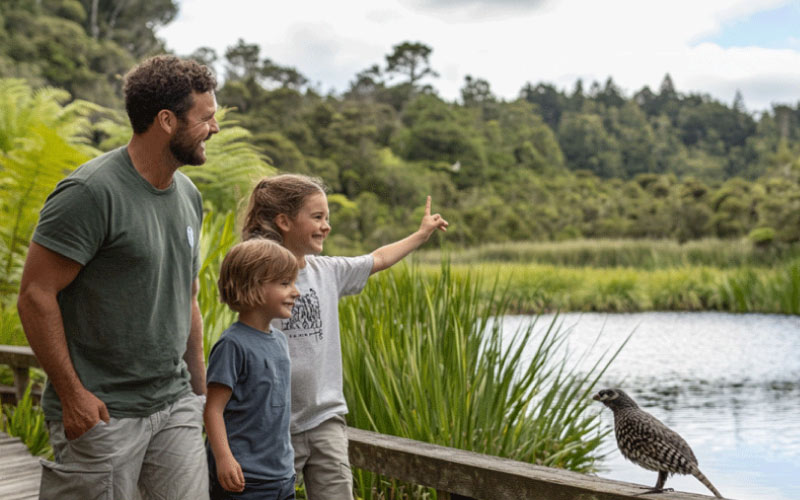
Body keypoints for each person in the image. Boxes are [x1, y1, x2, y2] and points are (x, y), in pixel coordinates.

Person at [16, 55, 219, 500]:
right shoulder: (90, 193)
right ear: (166, 121)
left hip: (174, 404)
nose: (215, 128)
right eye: (206, 118)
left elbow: (187, 296)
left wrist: (200, 394)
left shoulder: (188, 195)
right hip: (103, 414)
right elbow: (35, 295)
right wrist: (73, 397)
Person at [241, 174, 449, 499]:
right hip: (275, 425)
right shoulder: (260, 280)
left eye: (328, 218)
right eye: (318, 217)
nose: (327, 226)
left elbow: (378, 258)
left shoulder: (328, 271)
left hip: (325, 418)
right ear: (283, 221)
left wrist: (421, 235)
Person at [205, 238, 300, 500]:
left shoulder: (280, 341)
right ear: (253, 287)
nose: (296, 291)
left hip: (281, 475)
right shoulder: (232, 344)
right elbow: (213, 409)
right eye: (285, 283)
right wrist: (224, 459)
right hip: (245, 479)